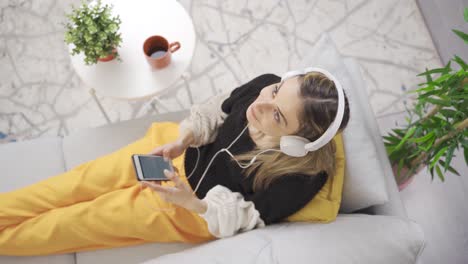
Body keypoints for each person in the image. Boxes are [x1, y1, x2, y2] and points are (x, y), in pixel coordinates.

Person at [0, 69, 350, 256]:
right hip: (173, 151)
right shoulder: (265, 85)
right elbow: (218, 109)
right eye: (275, 92)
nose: (258, 105)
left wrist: (192, 202)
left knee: (79, 222)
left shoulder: (298, 178)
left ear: (293, 141)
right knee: (76, 183)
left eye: (275, 115)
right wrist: (183, 138)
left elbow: (244, 217)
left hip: (188, 209)